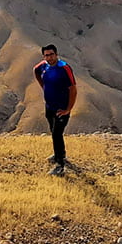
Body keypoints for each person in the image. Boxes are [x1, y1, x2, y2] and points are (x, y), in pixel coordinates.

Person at [33, 44, 76, 175]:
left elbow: (73, 89)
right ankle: (60, 154)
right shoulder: (43, 66)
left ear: (56, 54)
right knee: (53, 131)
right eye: (46, 55)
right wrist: (44, 87)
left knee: (57, 134)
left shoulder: (64, 68)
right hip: (49, 107)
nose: (49, 57)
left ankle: (59, 165)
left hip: (61, 108)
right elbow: (35, 70)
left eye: (51, 54)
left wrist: (68, 109)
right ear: (43, 56)